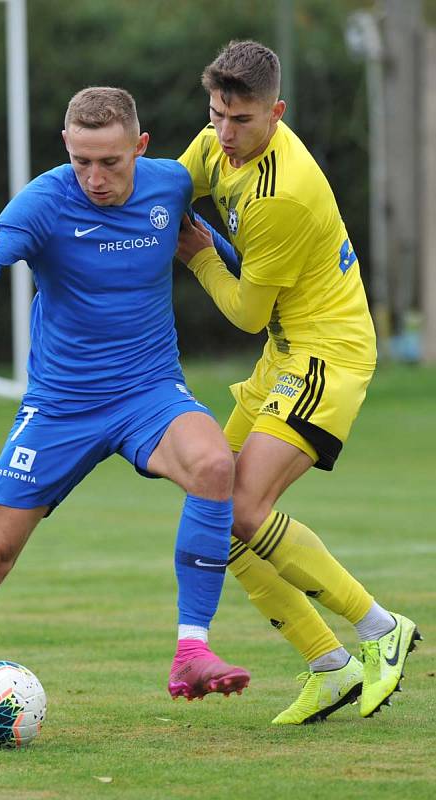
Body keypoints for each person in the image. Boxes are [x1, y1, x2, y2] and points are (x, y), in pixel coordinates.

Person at [0, 87, 250, 743]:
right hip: (60, 405)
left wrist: (240, 269)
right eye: (80, 162)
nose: (94, 178)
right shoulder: (45, 200)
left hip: (148, 391)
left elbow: (231, 262)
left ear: (140, 148)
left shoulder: (172, 185)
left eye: (109, 162)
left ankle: (191, 651)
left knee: (215, 464)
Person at [176, 40, 421, 725]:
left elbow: (246, 312)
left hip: (325, 356)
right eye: (217, 114)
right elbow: (171, 181)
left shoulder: (281, 194)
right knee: (214, 519)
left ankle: (380, 629)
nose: (225, 134)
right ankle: (329, 666)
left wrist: (197, 259)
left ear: (275, 112)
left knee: (245, 509)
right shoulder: (214, 142)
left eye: (242, 119)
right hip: (283, 358)